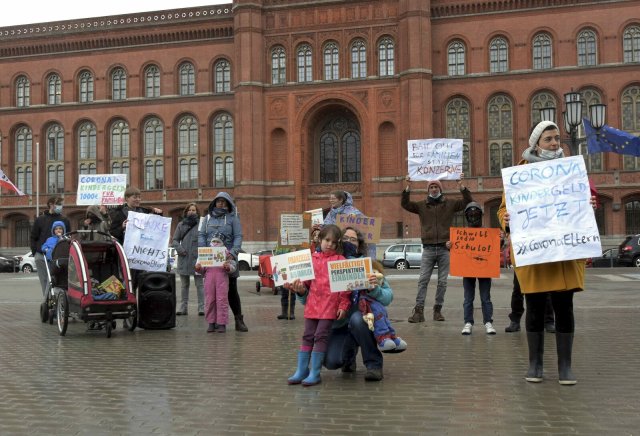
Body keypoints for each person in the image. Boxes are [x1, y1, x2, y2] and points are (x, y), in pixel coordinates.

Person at [498, 120, 597, 385]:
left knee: (565, 307)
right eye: (548, 139)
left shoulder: (571, 170)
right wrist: (506, 219)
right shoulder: (521, 174)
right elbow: (502, 209)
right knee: (535, 308)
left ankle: (565, 366)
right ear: (536, 144)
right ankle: (535, 364)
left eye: (556, 139)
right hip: (535, 253)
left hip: (563, 253)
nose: (554, 143)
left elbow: (581, 201)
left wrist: (589, 204)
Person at [285, 225, 351, 386]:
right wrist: (293, 284)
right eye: (327, 240)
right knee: (307, 336)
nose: (330, 244)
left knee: (320, 336)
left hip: (329, 307)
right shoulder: (311, 260)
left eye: (334, 242)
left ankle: (315, 372)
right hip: (312, 306)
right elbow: (304, 282)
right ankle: (302, 370)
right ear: (320, 240)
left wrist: (343, 305)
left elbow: (345, 288)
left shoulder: (340, 261)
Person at [324, 227, 393, 381]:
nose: (349, 242)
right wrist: (301, 293)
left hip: (363, 319)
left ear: (359, 244)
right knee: (331, 361)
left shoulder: (369, 266)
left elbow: (388, 297)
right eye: (345, 238)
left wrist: (374, 289)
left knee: (357, 320)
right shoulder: (328, 264)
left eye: (353, 239)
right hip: (338, 323)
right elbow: (314, 297)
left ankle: (374, 364)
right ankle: (348, 357)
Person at [402, 174, 473, 322]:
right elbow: (405, 204)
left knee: (442, 282)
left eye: (436, 187)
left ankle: (437, 310)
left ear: (440, 189)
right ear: (428, 190)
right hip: (428, 248)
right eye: (431, 187)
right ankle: (419, 312)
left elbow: (467, 201)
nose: (434, 189)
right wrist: (408, 186)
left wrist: (461, 184)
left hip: (444, 248)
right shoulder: (422, 205)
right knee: (423, 280)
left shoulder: (450, 204)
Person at [199, 192, 248, 332]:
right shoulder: (207, 219)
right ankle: (213, 321)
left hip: (228, 259)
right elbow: (202, 235)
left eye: (224, 202)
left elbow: (238, 236)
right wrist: (203, 251)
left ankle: (238, 319)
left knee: (232, 290)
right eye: (218, 201)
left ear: (228, 203)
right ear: (214, 203)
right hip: (210, 260)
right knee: (211, 293)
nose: (221, 204)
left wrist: (233, 253)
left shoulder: (233, 219)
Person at [109, 187, 163, 291]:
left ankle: (140, 303)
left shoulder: (144, 211)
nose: (138, 199)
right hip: (128, 253)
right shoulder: (119, 214)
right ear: (127, 198)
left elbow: (158, 225)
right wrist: (122, 227)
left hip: (143, 252)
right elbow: (112, 232)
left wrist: (158, 213)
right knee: (129, 279)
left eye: (139, 197)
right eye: (135, 197)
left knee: (143, 280)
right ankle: (129, 301)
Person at [456, 202, 496, 335]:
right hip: (468, 269)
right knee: (468, 298)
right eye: (471, 214)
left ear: (480, 215)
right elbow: (457, 250)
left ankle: (488, 322)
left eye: (476, 214)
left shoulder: (488, 232)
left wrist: (500, 240)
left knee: (485, 297)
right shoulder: (461, 234)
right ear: (467, 216)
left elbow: (495, 249)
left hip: (485, 269)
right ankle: (468, 322)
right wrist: (450, 245)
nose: (473, 217)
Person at [30, 196, 71, 297]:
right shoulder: (40, 219)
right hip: (41, 255)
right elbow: (33, 237)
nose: (60, 207)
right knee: (44, 280)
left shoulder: (64, 220)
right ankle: (47, 300)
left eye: (61, 204)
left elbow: (68, 236)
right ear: (51, 205)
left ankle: (54, 299)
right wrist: (35, 252)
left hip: (58, 255)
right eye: (59, 204)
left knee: (56, 279)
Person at [196, 237, 237, 333]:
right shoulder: (205, 253)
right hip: (209, 279)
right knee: (210, 300)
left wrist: (228, 267)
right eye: (213, 241)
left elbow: (233, 266)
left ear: (222, 243)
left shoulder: (226, 253)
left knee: (222, 300)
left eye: (217, 241)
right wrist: (198, 268)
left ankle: (222, 323)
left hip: (221, 280)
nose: (215, 243)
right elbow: (201, 270)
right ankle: (211, 323)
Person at [172, 202, 205, 316]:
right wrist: (180, 250)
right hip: (184, 258)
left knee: (200, 285)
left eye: (193, 210)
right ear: (186, 212)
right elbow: (175, 240)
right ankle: (183, 308)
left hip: (198, 259)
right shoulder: (181, 224)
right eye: (189, 210)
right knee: (184, 285)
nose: (191, 212)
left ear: (197, 212)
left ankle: (202, 308)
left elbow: (205, 239)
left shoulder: (202, 224)